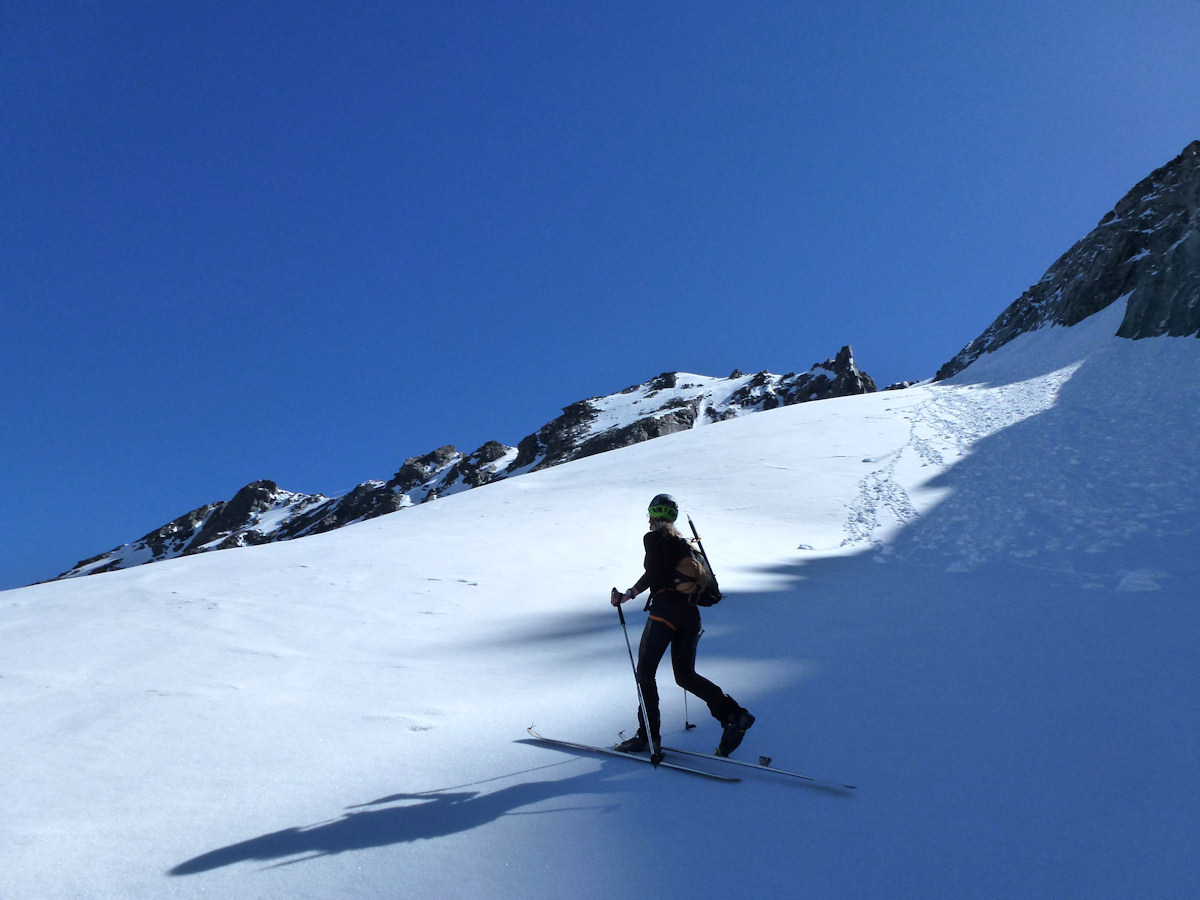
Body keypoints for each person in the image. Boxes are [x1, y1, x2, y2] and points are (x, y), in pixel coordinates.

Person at [611, 494, 755, 759]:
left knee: (645, 673)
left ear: (652, 517)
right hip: (690, 616)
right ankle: (735, 715)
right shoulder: (687, 545)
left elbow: (653, 574)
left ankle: (648, 737)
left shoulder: (653, 538)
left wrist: (628, 594)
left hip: (664, 613)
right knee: (686, 676)